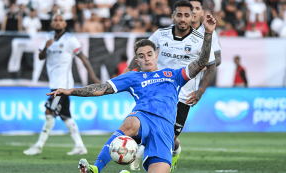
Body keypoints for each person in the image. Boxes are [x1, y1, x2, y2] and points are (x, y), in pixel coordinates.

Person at [48, 12, 215, 171]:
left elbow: (202, 62)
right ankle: (95, 168)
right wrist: (70, 91)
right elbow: (101, 89)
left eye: (149, 54)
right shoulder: (133, 77)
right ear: (137, 60)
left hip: (165, 128)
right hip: (143, 117)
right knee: (129, 124)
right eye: (141, 56)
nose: (146, 58)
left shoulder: (173, 74)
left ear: (157, 55)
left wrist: (208, 33)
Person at [125, 0, 219, 171]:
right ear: (173, 16)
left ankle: (172, 151)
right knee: (155, 134)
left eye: (186, 15)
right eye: (179, 15)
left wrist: (200, 91)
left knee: (169, 137)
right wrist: (127, 71)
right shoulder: (161, 34)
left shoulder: (201, 39)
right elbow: (143, 51)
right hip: (157, 92)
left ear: (192, 17)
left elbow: (212, 66)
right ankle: (160, 154)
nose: (182, 19)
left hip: (183, 97)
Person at [23, 12, 101, 156]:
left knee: (49, 112)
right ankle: (80, 146)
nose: (58, 22)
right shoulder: (48, 37)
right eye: (55, 20)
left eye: (61, 20)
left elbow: (83, 58)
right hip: (54, 84)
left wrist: (93, 77)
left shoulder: (70, 39)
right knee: (65, 115)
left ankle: (38, 146)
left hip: (62, 86)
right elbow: (40, 57)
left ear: (65, 24)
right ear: (52, 23)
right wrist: (46, 47)